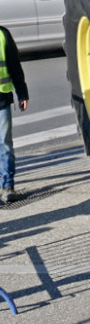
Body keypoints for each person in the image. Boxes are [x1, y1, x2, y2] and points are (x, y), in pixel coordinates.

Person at [0, 24, 29, 203]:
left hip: (1, 99)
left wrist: (22, 92)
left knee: (4, 145)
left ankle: (7, 186)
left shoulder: (2, 35)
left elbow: (14, 65)